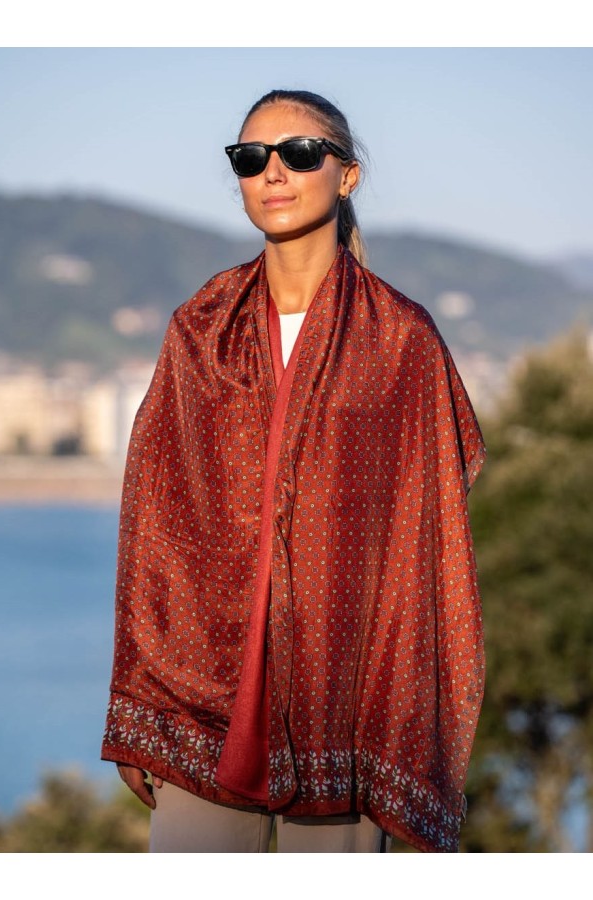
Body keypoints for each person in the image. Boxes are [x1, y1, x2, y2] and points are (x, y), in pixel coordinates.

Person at [101, 89, 486, 853]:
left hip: (344, 705)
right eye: (250, 159)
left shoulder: (400, 338)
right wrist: (141, 701)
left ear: (346, 175)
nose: (272, 172)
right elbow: (155, 528)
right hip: (200, 706)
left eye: (300, 153)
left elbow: (427, 528)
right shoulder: (199, 328)